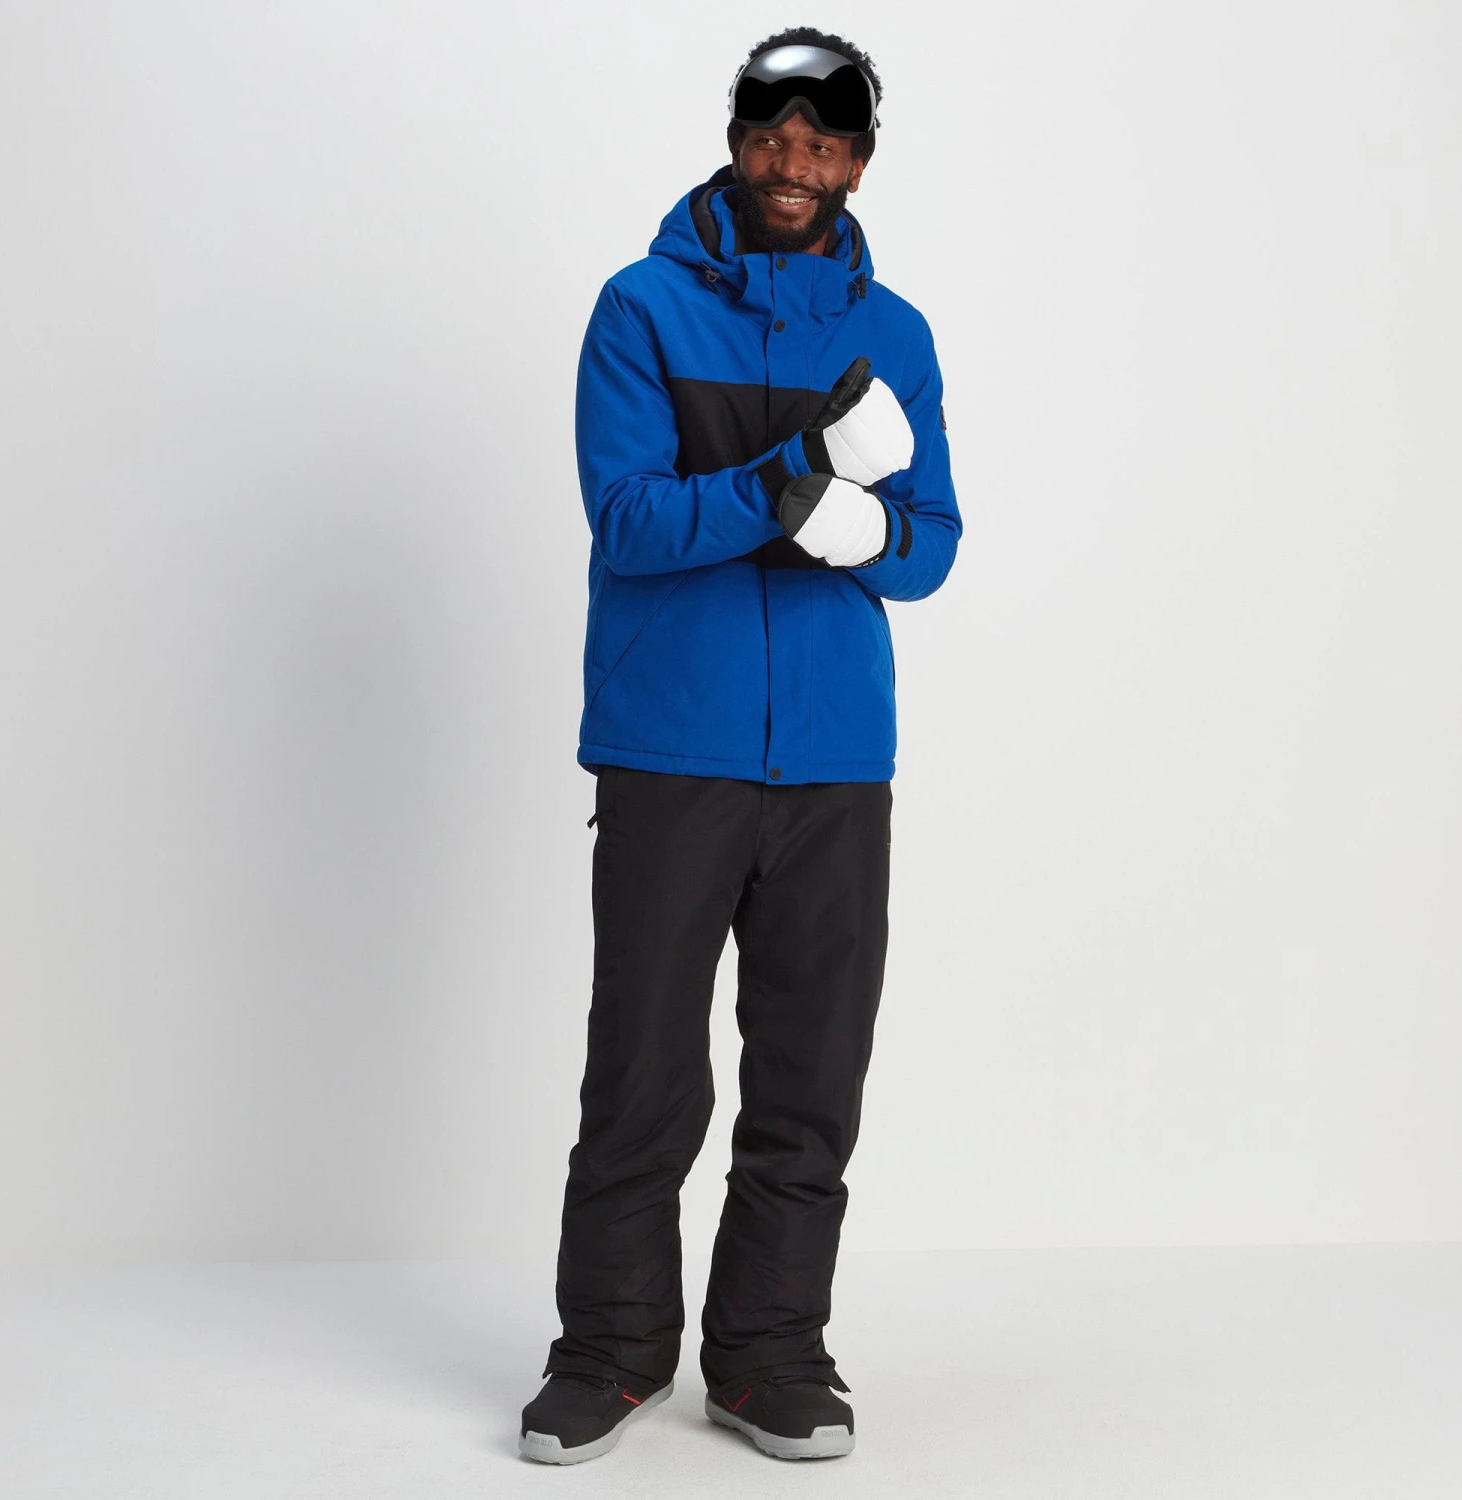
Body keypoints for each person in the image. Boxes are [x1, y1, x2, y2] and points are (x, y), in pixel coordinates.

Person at [518, 28, 961, 1465]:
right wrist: (793, 480)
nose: (794, 164)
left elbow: (932, 549)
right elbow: (631, 521)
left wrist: (866, 528)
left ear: (858, 164)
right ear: (736, 138)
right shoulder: (642, 307)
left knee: (811, 1080)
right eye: (773, 135)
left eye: (825, 144)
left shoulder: (896, 338)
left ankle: (769, 1358)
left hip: (836, 765)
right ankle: (609, 1353)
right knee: (643, 1075)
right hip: (671, 752)